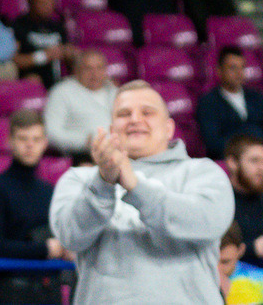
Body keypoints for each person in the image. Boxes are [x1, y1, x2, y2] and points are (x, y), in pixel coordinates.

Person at [50, 80, 234, 304]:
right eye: (124, 113)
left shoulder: (203, 172)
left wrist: (135, 185)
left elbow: (206, 222)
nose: (135, 120)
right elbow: (70, 238)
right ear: (110, 130)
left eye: (147, 112)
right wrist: (102, 185)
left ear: (169, 128)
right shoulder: (80, 179)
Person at [0, 109, 70, 304]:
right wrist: (44, 249)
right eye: (23, 138)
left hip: (49, 291)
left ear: (45, 142)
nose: (30, 145)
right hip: (12, 292)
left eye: (36, 139)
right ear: (10, 140)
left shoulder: (50, 191)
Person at [43, 49, 117, 159]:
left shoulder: (115, 91)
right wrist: (86, 141)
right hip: (81, 156)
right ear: (76, 71)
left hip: (118, 153)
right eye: (88, 68)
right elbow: (51, 133)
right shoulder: (62, 92)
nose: (95, 73)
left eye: (99, 68)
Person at [199, 47, 263, 159]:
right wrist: (250, 136)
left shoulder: (256, 97)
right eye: (233, 68)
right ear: (219, 71)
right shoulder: (208, 103)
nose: (239, 73)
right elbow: (213, 144)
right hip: (229, 162)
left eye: (242, 67)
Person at [11, 0, 75, 90]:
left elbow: (67, 53)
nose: (47, 7)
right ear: (30, 2)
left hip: (56, 81)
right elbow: (13, 60)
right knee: (33, 81)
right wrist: (44, 56)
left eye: (49, 2)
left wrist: (71, 54)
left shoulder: (58, 26)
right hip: (31, 80)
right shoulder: (19, 25)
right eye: (42, 2)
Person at [226, 134, 263, 269]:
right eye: (254, 161)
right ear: (232, 163)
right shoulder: (220, 200)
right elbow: (215, 250)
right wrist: (253, 248)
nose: (261, 168)